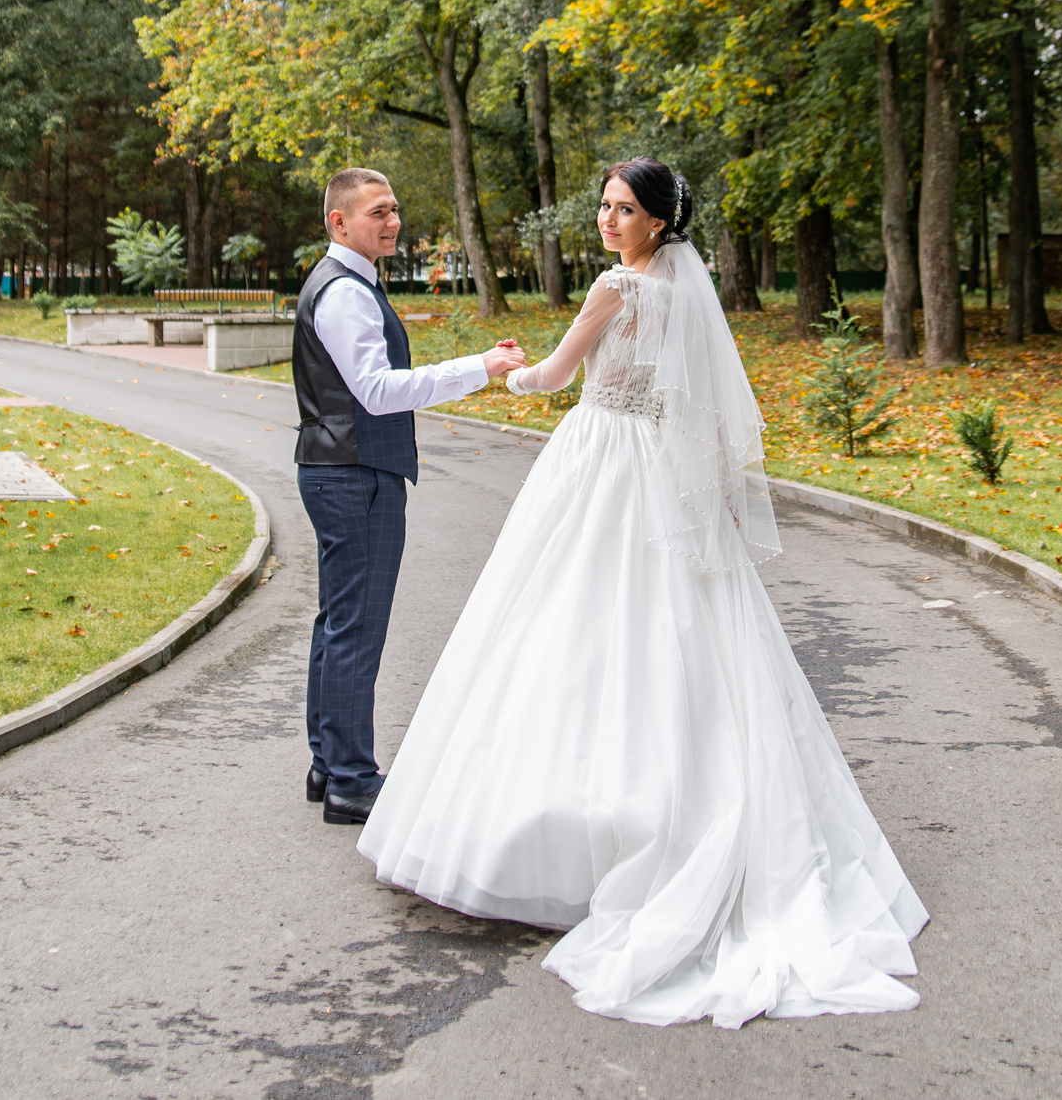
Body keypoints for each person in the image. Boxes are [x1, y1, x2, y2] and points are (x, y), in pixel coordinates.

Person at [358, 157, 928, 1028]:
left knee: (566, 631)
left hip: (599, 465)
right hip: (658, 474)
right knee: (664, 638)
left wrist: (506, 371)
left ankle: (565, 836)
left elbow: (553, 378)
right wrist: (716, 506)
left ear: (660, 221)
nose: (608, 220)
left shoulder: (615, 289)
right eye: (605, 206)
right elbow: (698, 411)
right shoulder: (688, 292)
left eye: (625, 209)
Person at [294, 168, 526, 826]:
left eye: (395, 208)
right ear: (340, 221)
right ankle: (348, 779)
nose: (392, 221)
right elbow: (377, 390)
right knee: (355, 627)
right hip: (353, 473)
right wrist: (478, 367)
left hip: (341, 467)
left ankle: (328, 762)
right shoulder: (344, 292)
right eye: (378, 212)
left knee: (339, 621)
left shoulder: (350, 282)